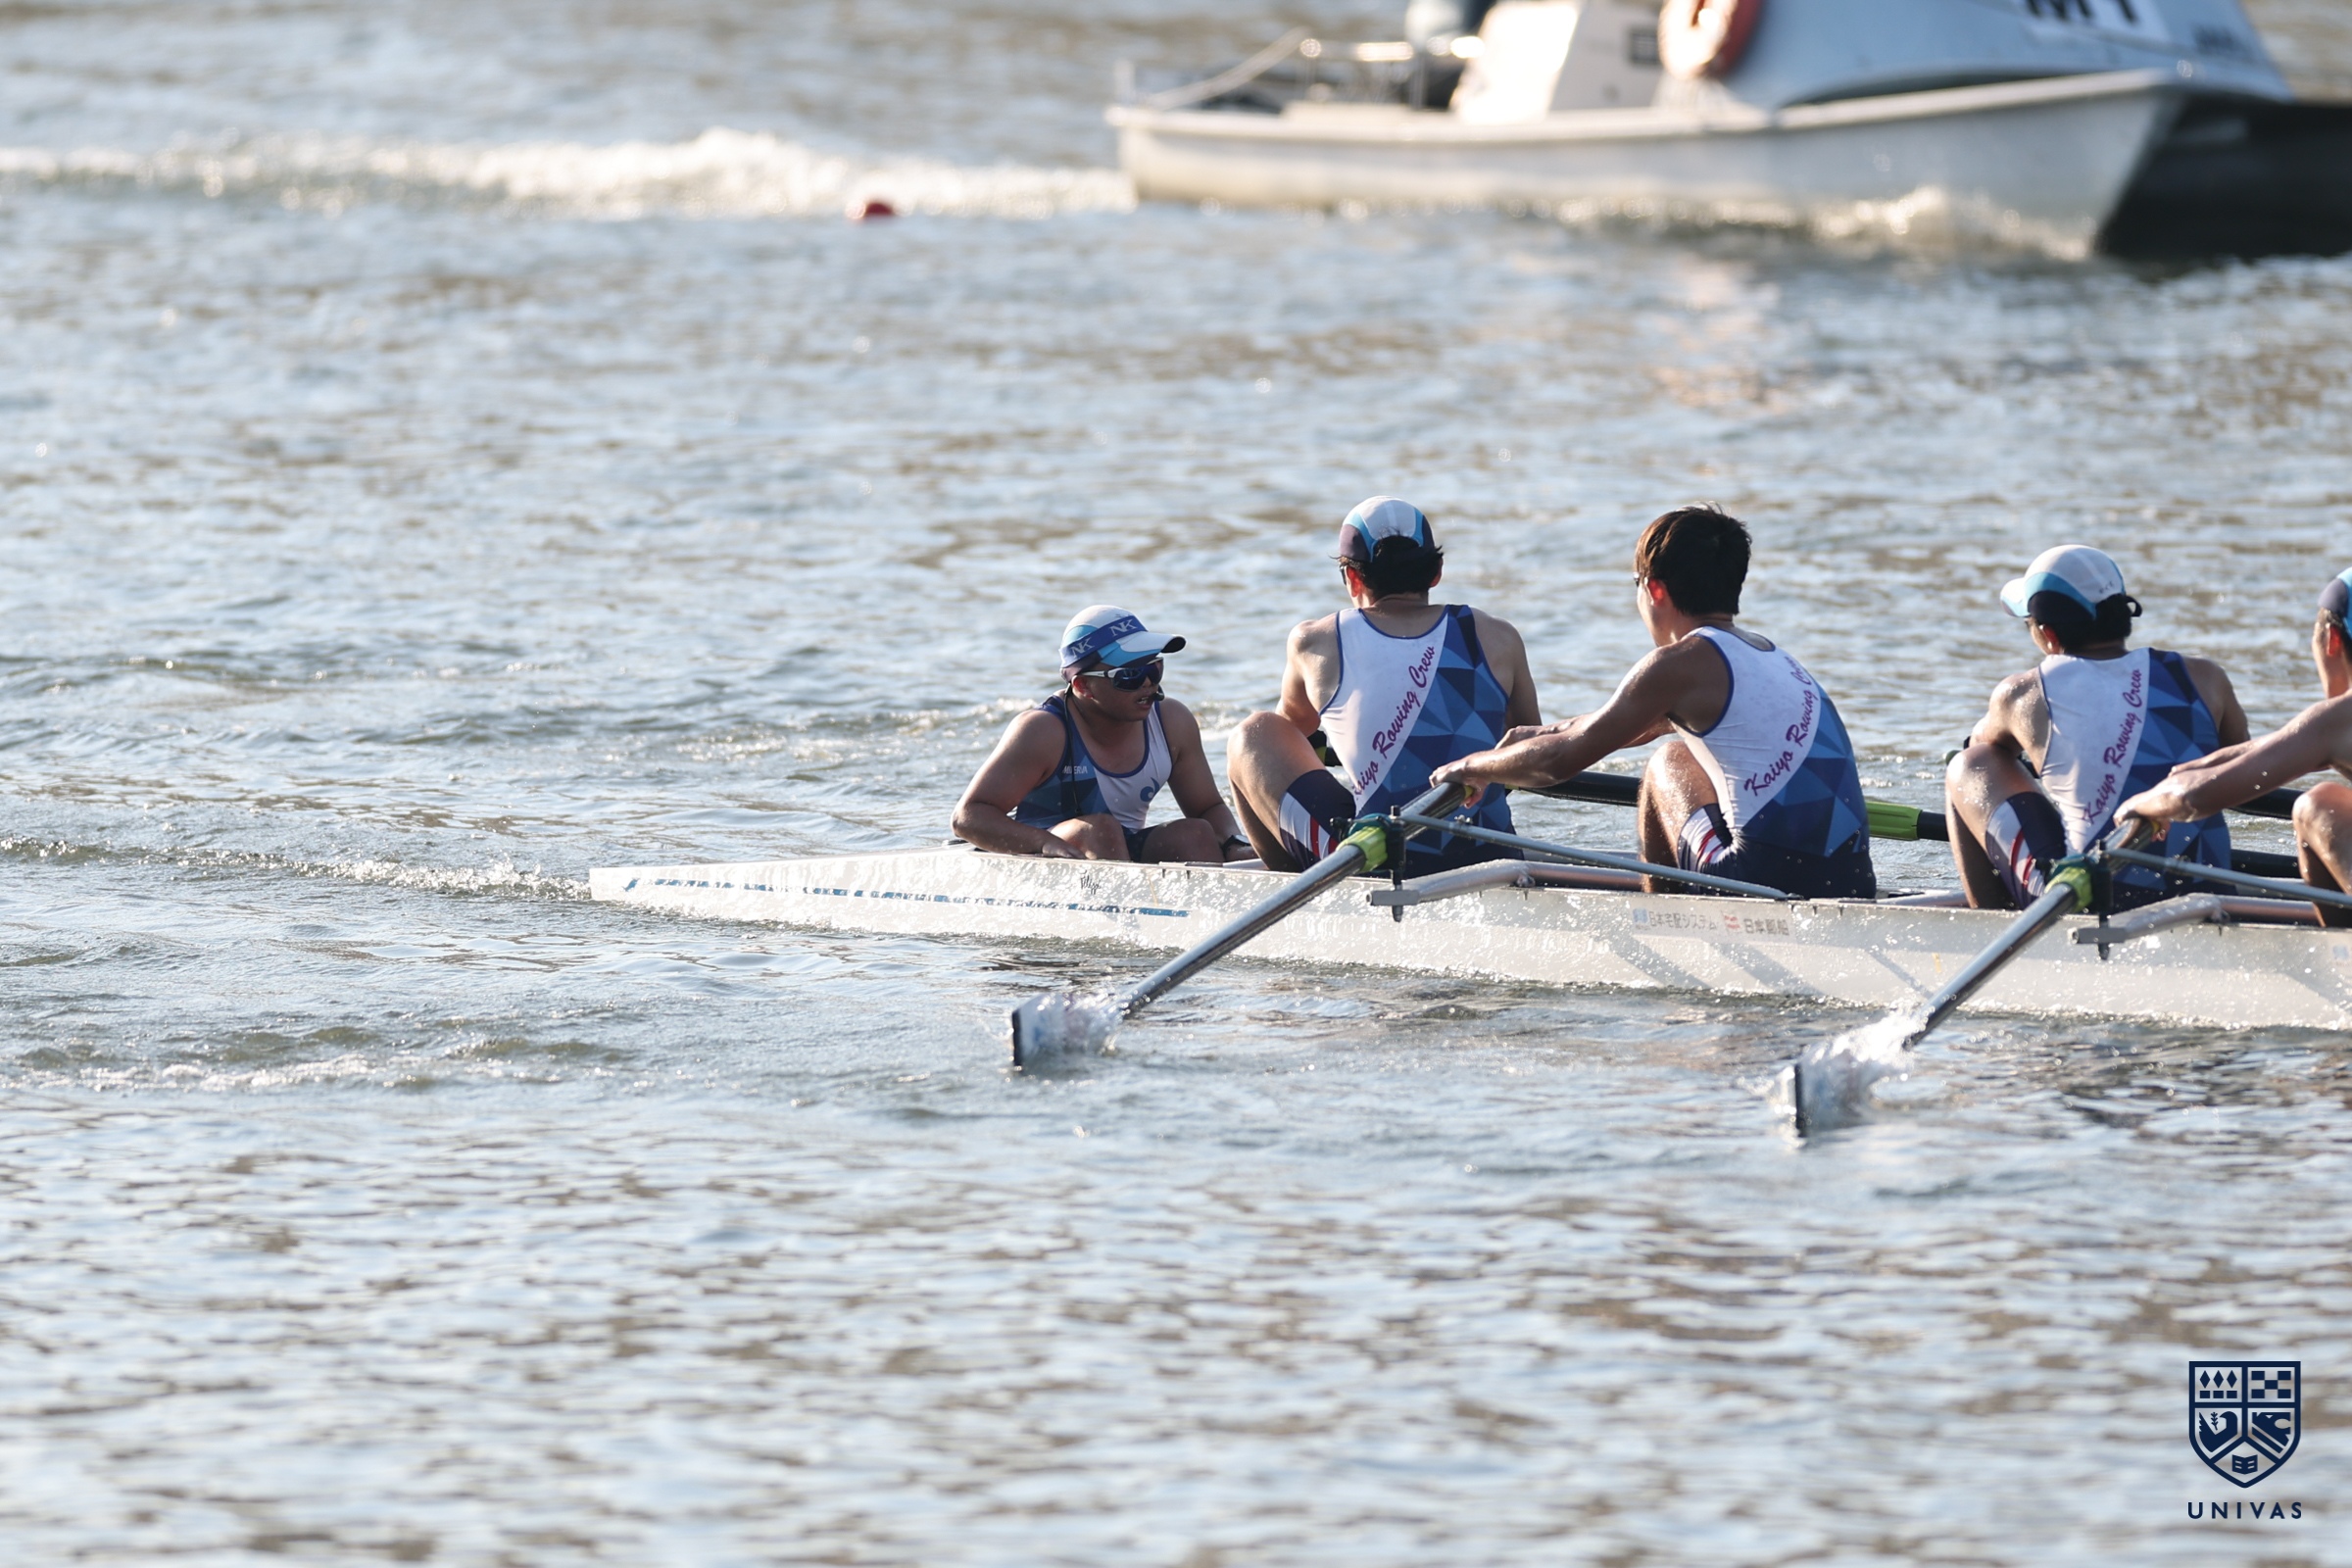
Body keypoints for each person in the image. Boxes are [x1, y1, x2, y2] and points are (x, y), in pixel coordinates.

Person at [1429, 504, 1876, 899]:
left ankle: (1662, 919)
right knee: (1685, 749)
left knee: (1669, 763)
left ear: (1655, 590)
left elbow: (1558, 764)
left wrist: (1473, 766)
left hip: (1759, 880)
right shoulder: (1771, 658)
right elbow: (1615, 724)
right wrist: (1539, 733)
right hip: (1853, 880)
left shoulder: (1677, 664)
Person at [1225, 496, 1540, 875]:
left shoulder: (1316, 642)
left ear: (1352, 578)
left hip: (1381, 863)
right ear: (1436, 572)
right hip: (1493, 856)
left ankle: (1297, 886)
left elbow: (1292, 733)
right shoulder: (1497, 636)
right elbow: (1532, 755)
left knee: (1252, 736)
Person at [1946, 544, 2246, 910]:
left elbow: (1980, 747)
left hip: (2093, 900)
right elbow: (2245, 775)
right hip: (2210, 894)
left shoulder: (2022, 694)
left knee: (1968, 765)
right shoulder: (2204, 677)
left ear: (2048, 634)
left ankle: (1991, 926)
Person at [2116, 564, 2352, 924]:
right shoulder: (2334, 726)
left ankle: (2338, 950)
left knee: (2318, 805)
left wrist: (2139, 803)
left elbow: (2193, 798)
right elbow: (2264, 748)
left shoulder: (2340, 718)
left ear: (2332, 640)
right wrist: (2181, 773)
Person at [954, 606, 1250, 863]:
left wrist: (1234, 844)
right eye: (1129, 675)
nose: (1148, 684)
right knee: (1101, 831)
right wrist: (1042, 843)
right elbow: (968, 817)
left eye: (1154, 668)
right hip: (1047, 851)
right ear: (1083, 686)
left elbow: (1207, 807)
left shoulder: (1172, 722)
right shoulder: (1043, 731)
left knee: (1195, 833)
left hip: (1118, 850)